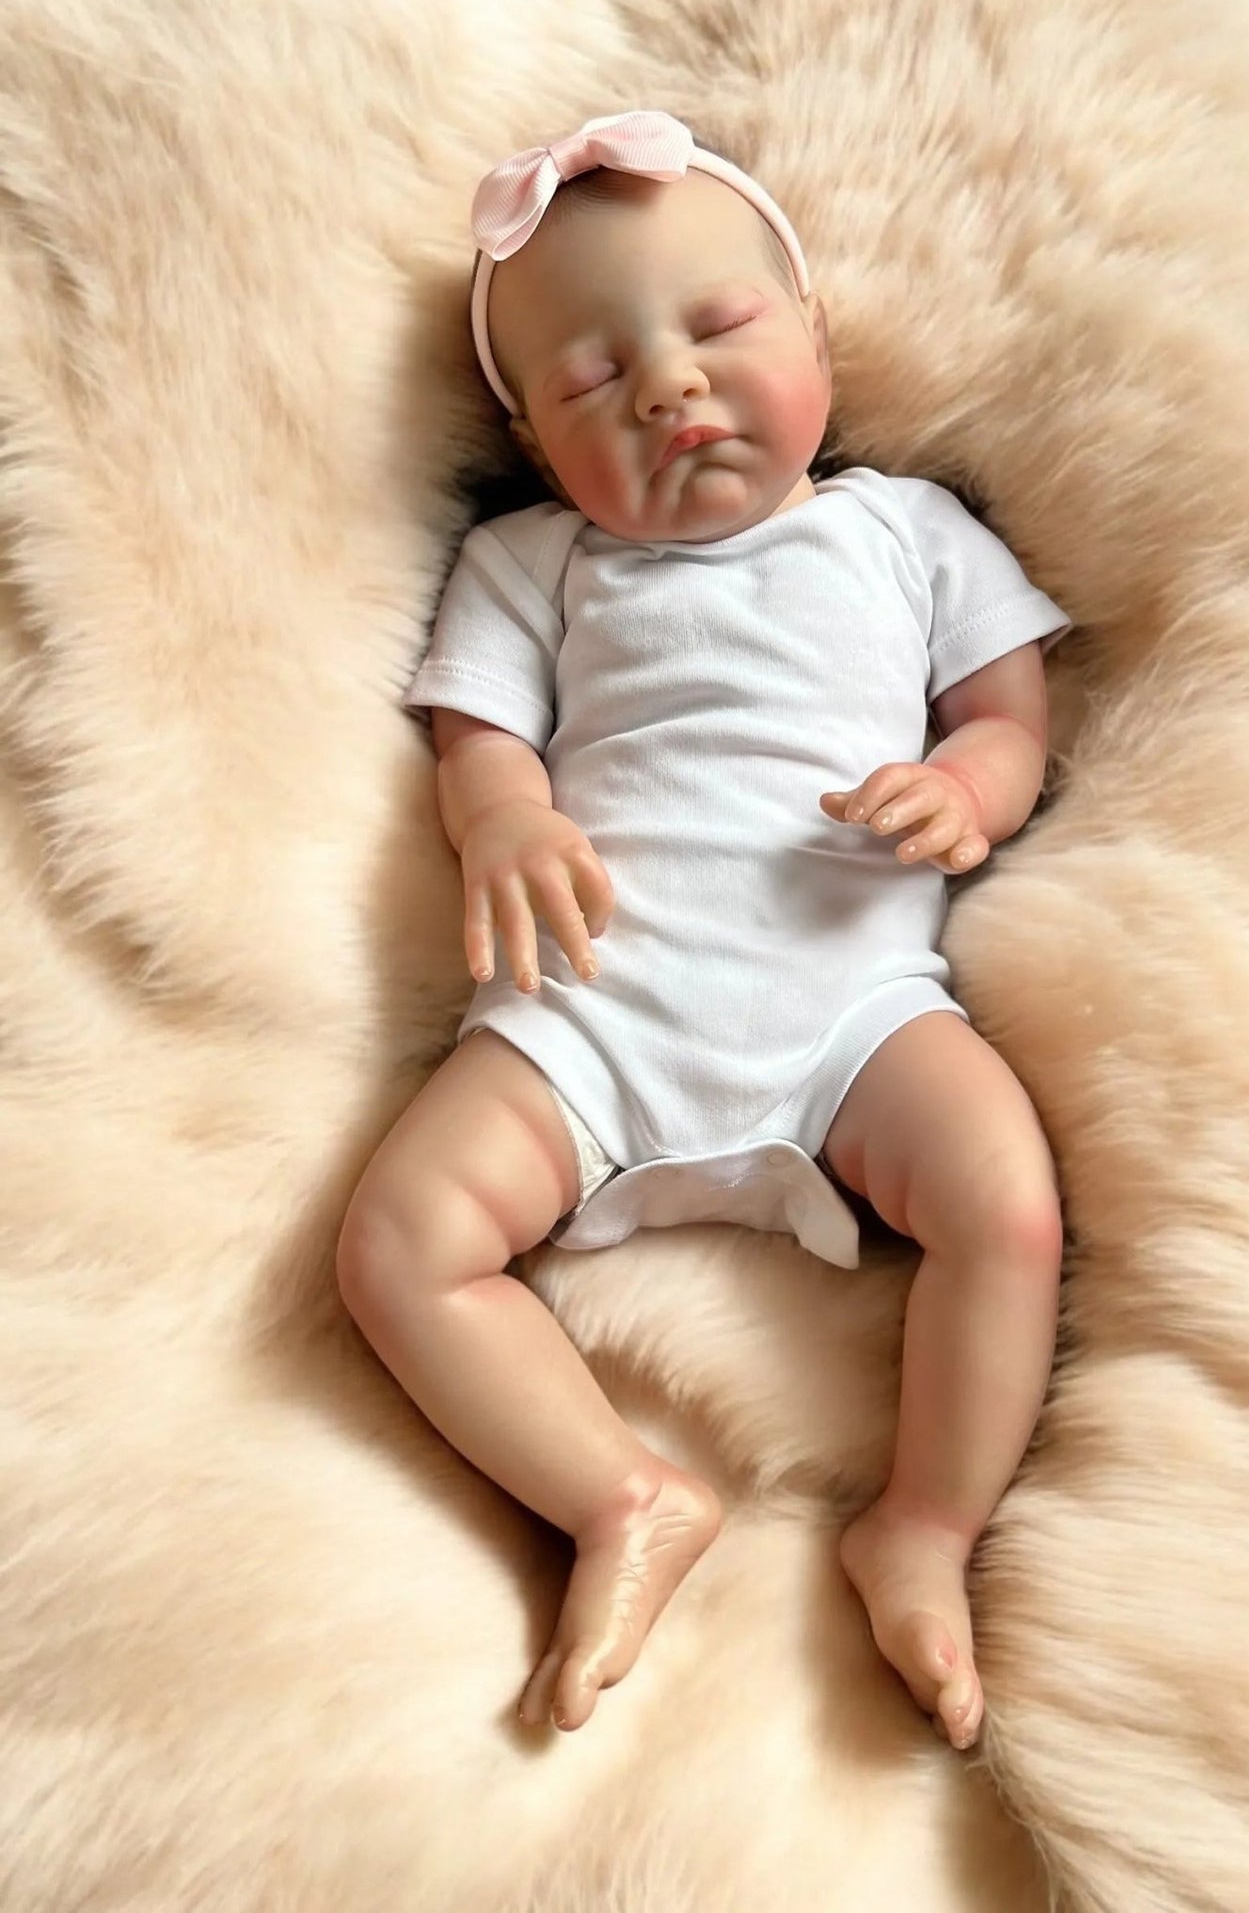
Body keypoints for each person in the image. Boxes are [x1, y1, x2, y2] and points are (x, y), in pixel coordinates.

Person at [336, 110, 1069, 1753]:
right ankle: (620, 1496)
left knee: (1007, 1209)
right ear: (535, 446)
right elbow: (477, 741)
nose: (667, 387)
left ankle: (921, 1527)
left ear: (814, 332)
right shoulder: (534, 564)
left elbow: (1006, 715)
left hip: (852, 1009)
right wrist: (508, 821)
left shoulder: (904, 531)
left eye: (719, 326)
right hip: (594, 1006)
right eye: (594, 379)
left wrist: (968, 785)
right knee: (397, 1245)